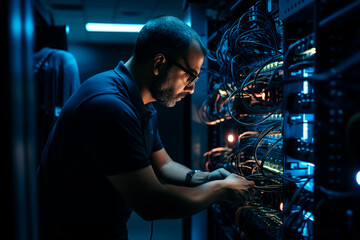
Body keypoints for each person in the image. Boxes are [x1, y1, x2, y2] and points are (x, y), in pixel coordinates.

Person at [37, 16, 255, 240]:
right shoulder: (109, 106)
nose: (191, 89)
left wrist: (206, 178)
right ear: (159, 63)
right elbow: (151, 204)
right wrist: (222, 190)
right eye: (190, 76)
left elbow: (164, 165)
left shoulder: (141, 105)